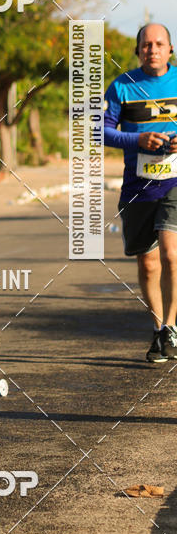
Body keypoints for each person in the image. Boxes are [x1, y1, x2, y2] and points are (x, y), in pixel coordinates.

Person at [104, 23, 177, 363]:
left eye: (159, 44)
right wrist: (138, 140)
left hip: (175, 182)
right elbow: (100, 131)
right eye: (146, 45)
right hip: (138, 186)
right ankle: (159, 328)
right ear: (138, 50)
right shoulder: (122, 86)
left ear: (170, 49)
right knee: (148, 264)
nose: (153, 49)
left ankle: (171, 328)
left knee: (171, 253)